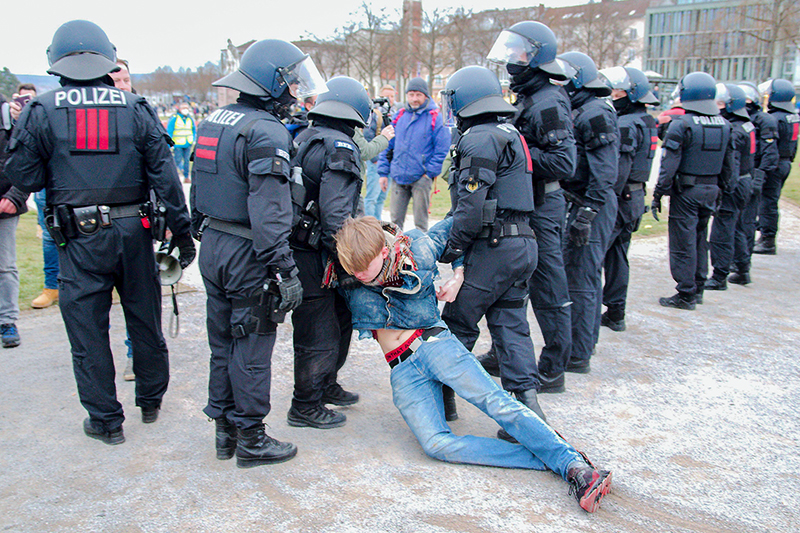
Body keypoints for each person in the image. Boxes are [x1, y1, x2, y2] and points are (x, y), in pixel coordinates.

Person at [335, 216, 612, 513]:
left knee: (497, 403)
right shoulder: (349, 268)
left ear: (383, 250)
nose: (360, 274)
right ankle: (546, 456)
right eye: (354, 268)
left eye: (366, 266)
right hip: (401, 368)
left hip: (434, 345)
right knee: (436, 445)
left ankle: (573, 466)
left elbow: (462, 228)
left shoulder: (418, 247)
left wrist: (458, 274)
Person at [5, 20, 196, 444]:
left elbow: (24, 175)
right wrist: (182, 237)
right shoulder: (136, 107)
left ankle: (107, 421)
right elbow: (166, 180)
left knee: (87, 330)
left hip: (79, 237)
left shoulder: (41, 110)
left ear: (56, 61)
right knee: (144, 319)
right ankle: (150, 401)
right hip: (134, 229)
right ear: (107, 59)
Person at [191, 39, 325, 467]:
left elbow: (200, 181)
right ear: (272, 81)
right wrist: (284, 268)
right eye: (290, 82)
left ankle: (225, 431)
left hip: (214, 243)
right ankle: (251, 436)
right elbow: (270, 209)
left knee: (223, 343)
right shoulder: (265, 130)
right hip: (248, 250)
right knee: (252, 344)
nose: (295, 92)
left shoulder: (216, 119)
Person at [437, 66, 543, 434]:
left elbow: (471, 204)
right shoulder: (509, 132)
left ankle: (441, 401)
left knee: (456, 323)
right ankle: (527, 413)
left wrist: (452, 246)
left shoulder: (480, 138)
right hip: (522, 244)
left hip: (494, 244)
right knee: (510, 326)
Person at [483, 20, 576, 394]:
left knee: (548, 285)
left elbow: (564, 162)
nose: (511, 58)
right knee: (511, 279)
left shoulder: (548, 101)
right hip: (525, 202)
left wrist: (515, 151)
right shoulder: (526, 95)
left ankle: (553, 367)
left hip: (544, 203)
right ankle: (502, 353)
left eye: (519, 52)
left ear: (536, 57)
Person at [287, 76, 371, 429]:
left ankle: (325, 384)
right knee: (318, 330)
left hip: (306, 247)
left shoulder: (305, 136)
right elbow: (337, 216)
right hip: (319, 254)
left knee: (338, 321)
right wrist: (352, 262)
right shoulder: (340, 147)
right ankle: (304, 405)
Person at [558, 51, 619, 373]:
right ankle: (578, 346)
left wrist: (588, 211)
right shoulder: (582, 108)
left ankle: (579, 353)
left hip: (590, 203)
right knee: (577, 277)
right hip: (581, 200)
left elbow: (605, 171)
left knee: (582, 280)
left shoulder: (595, 112)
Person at [651, 72, 734, 309]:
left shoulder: (682, 124)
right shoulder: (725, 125)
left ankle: (685, 293)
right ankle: (697, 287)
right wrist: (724, 189)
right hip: (712, 189)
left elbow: (669, 165)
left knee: (683, 242)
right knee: (700, 238)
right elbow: (730, 165)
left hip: (686, 191)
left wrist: (659, 192)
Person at [599, 66, 659, 331]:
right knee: (618, 256)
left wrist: (603, 200)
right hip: (634, 196)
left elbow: (619, 170)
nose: (613, 95)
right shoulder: (647, 120)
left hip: (620, 198)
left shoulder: (626, 124)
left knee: (592, 259)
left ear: (629, 93)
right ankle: (616, 312)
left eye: (616, 90)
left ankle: (589, 317)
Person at [10, 84, 59, 312]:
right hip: (44, 187)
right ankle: (51, 288)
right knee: (49, 240)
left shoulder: (52, 111)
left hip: (67, 185)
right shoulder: (25, 117)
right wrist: (18, 122)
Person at [377, 78, 450, 231]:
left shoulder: (435, 117)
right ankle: (397, 253)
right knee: (394, 223)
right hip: (398, 177)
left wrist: (429, 173)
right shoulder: (399, 116)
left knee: (420, 224)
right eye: (411, 95)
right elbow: (387, 145)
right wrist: (383, 172)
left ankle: (420, 253)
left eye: (418, 94)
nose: (414, 99)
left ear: (425, 96)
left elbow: (441, 150)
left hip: (421, 178)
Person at [706, 84, 755, 291]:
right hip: (746, 180)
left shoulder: (734, 129)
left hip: (735, 183)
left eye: (719, 103)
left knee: (721, 231)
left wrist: (725, 188)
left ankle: (719, 275)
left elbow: (732, 163)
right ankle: (742, 268)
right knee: (735, 227)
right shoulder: (747, 125)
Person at [730, 82, 779, 284]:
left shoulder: (763, 120)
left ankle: (742, 264)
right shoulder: (747, 120)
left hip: (752, 174)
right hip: (746, 173)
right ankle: (739, 261)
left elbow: (769, 152)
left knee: (745, 222)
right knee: (738, 222)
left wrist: (759, 177)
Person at [753, 79, 799, 255]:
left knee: (768, 202)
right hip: (785, 161)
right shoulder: (792, 116)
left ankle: (768, 240)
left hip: (775, 163)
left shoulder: (774, 118)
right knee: (770, 200)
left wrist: (763, 168)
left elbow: (769, 145)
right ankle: (765, 235)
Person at [0, 93, 30, 348]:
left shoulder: (7, 114)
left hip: (3, 203)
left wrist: (16, 195)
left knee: (5, 266)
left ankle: (7, 321)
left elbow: (25, 158)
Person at [363, 84, 397, 220]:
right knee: (372, 196)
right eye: (386, 96)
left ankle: (377, 224)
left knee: (381, 197)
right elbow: (368, 136)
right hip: (377, 160)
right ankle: (370, 225)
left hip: (388, 161)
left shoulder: (394, 114)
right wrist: (376, 158)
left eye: (392, 96)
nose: (389, 99)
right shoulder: (375, 114)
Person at [167, 102, 195, 183]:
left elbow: (193, 130)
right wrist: (169, 144)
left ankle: (186, 177)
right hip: (178, 143)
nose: (185, 110)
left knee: (187, 161)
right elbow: (170, 131)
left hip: (188, 143)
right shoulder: (174, 118)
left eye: (187, 108)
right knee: (177, 160)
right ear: (179, 109)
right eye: (183, 108)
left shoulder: (190, 119)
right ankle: (176, 175)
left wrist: (193, 139)